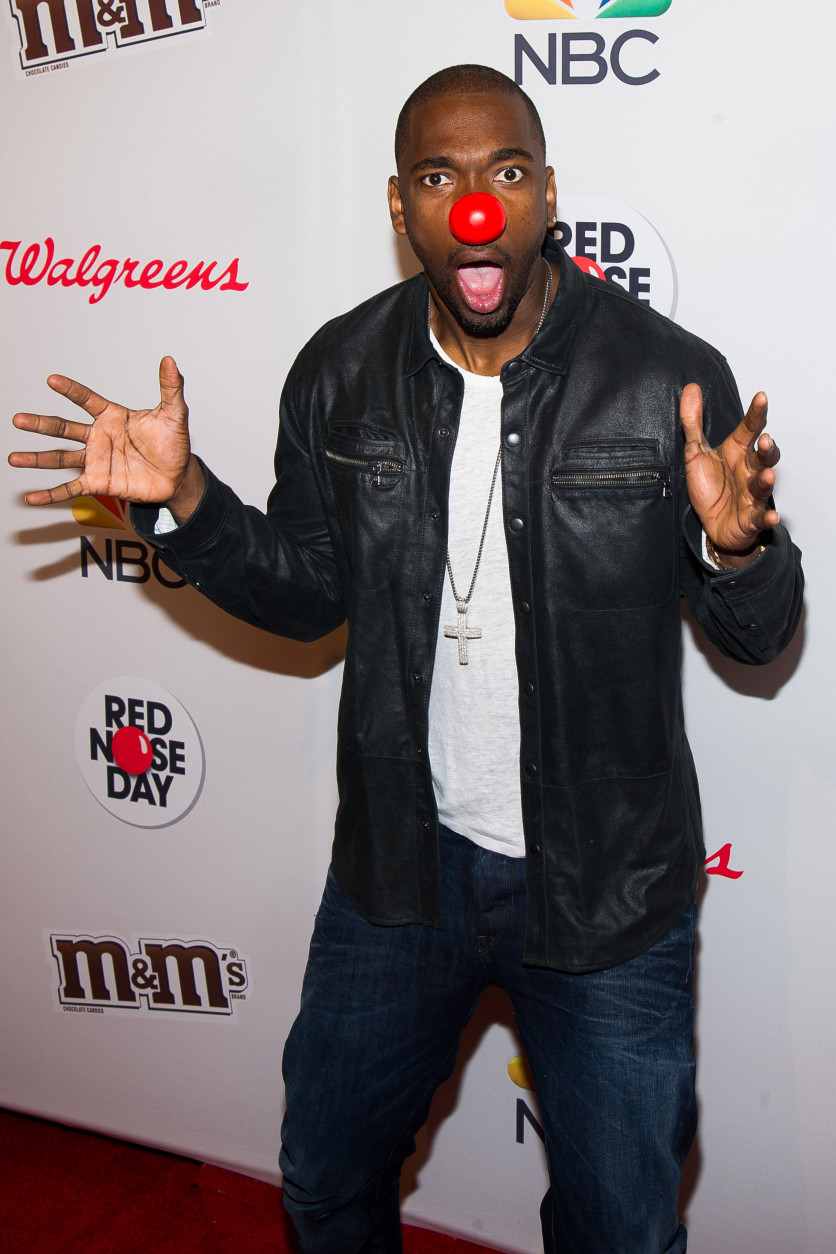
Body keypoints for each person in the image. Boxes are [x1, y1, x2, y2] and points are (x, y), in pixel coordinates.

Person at [10, 64, 803, 1254]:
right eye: (438, 178)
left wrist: (741, 551)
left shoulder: (664, 381)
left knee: (621, 1231)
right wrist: (184, 504)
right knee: (324, 1182)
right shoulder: (339, 373)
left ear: (546, 196)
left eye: (504, 174)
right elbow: (307, 598)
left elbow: (757, 640)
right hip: (399, 871)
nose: (472, 208)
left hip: (606, 889)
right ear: (398, 207)